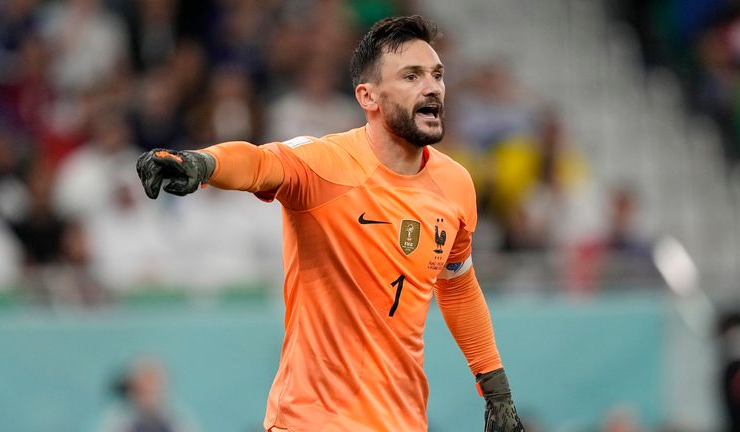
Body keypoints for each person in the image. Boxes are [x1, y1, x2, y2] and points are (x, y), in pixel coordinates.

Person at [136, 15, 523, 432]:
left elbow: (458, 284)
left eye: (436, 75)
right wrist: (203, 162)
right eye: (411, 76)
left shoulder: (455, 185)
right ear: (368, 97)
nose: (431, 87)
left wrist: (495, 387)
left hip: (402, 421)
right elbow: (260, 162)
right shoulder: (325, 163)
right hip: (311, 421)